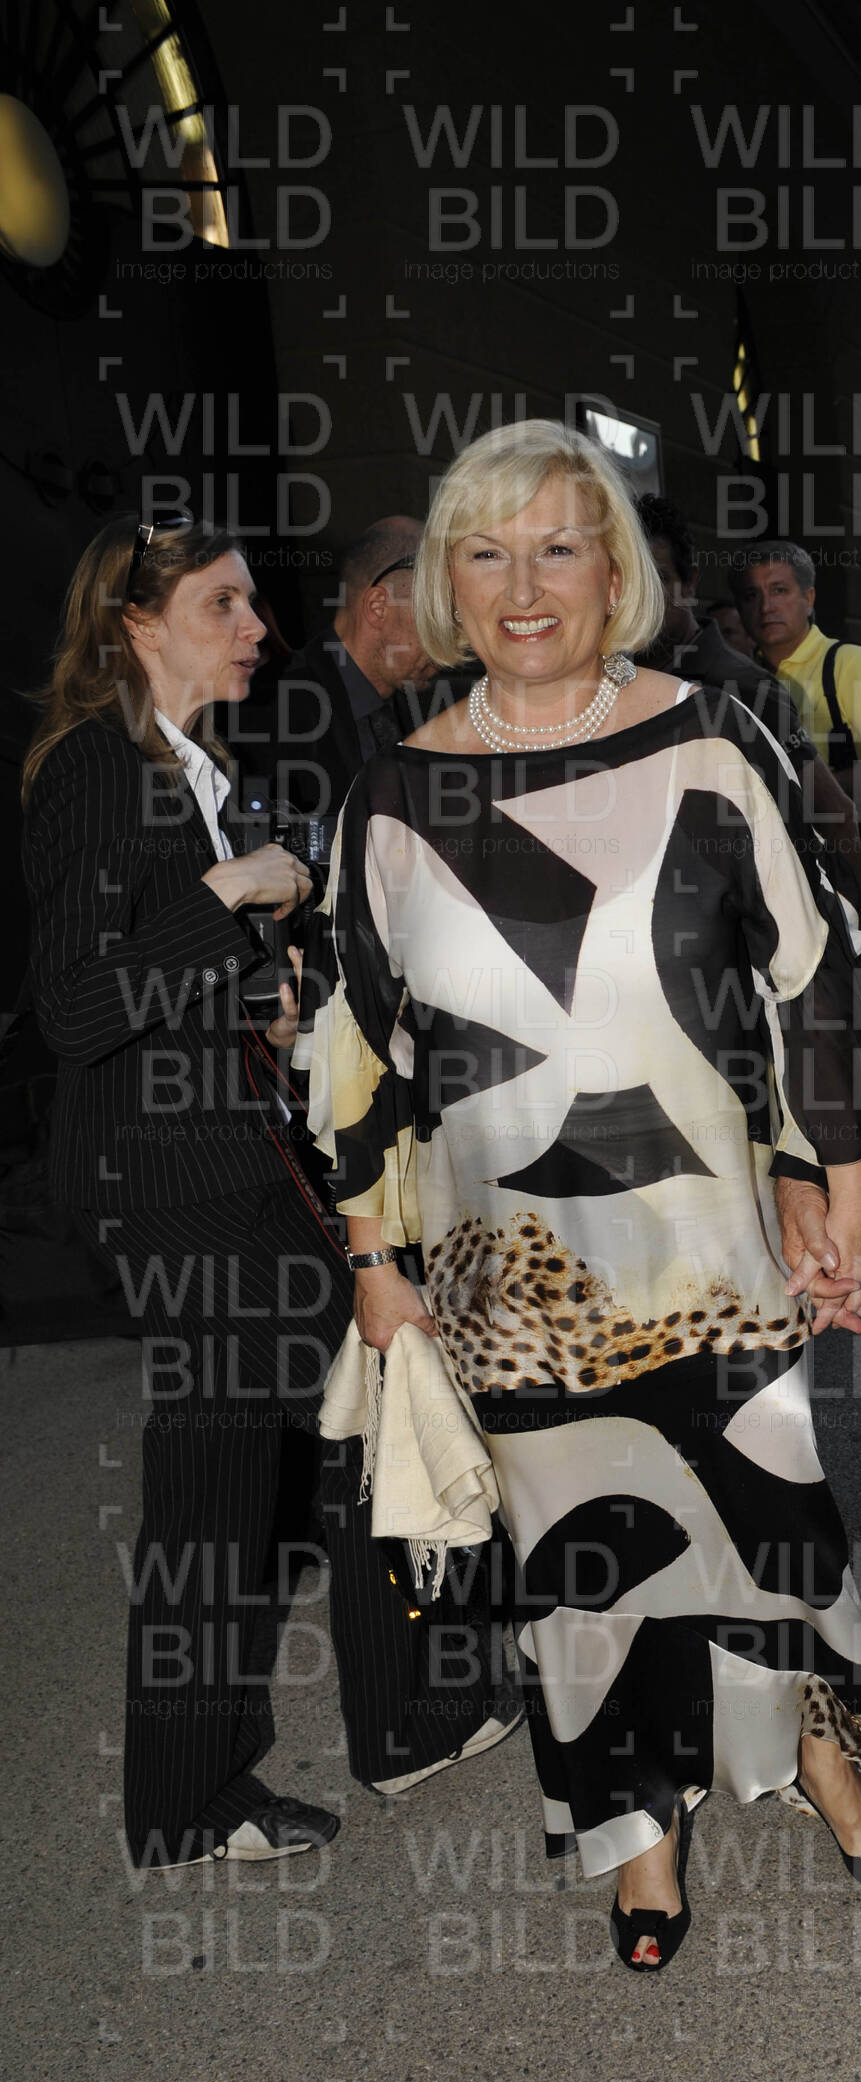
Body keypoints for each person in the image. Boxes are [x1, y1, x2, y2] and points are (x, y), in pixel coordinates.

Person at [295, 420, 861, 1972]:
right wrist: (372, 1260)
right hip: (508, 1275)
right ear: (445, 585)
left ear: (615, 571)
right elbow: (359, 1049)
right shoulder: (391, 797)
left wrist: (840, 1173)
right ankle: (633, 1820)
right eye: (485, 554)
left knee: (771, 1514)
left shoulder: (712, 740)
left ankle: (818, 1749)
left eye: (557, 548)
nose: (524, 588)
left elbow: (810, 973)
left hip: (709, 1247)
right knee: (581, 1560)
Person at [18, 516, 520, 1868]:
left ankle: (319, 1745)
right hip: (169, 1185)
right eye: (224, 605)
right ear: (136, 622)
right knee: (265, 1457)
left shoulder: (187, 767)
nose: (258, 630)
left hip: (222, 1161)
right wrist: (230, 888)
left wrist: (265, 999)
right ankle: (355, 1734)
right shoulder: (95, 767)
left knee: (280, 1452)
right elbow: (76, 1006)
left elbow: (159, 982)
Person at [635, 493, 861, 916]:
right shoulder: (606, 686)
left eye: (658, 578)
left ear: (690, 583)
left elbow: (835, 815)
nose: (641, 597)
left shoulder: (745, 689)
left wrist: (847, 941)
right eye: (627, 579)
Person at [233, 517, 442, 835]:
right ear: (378, 607)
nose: (451, 636)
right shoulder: (268, 710)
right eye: (436, 616)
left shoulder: (426, 709)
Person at [729, 541, 861, 867]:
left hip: (856, 878)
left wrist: (814, 791)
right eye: (751, 595)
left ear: (808, 598)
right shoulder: (741, 682)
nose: (766, 606)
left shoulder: (849, 664)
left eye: (779, 590)